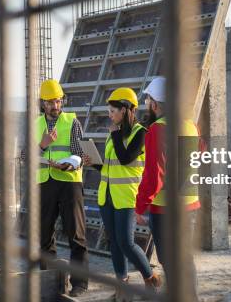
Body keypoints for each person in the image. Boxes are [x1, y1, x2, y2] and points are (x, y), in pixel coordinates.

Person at [135, 77, 202, 297]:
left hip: (165, 209)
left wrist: (139, 206)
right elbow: (199, 154)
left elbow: (154, 176)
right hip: (189, 203)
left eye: (148, 100)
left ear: (155, 104)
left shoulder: (157, 129)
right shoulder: (190, 125)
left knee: (169, 260)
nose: (147, 103)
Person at [98, 88, 161, 298]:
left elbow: (125, 158)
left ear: (125, 110)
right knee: (114, 242)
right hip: (106, 195)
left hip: (126, 196)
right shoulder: (114, 134)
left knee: (126, 242)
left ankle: (150, 277)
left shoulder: (141, 133)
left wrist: (115, 134)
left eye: (113, 110)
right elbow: (112, 165)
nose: (110, 115)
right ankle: (122, 283)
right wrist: (95, 164)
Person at [36, 79, 90, 297]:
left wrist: (73, 162)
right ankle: (48, 280)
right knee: (44, 236)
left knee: (76, 235)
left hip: (69, 183)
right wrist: (43, 144)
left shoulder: (71, 121)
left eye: (58, 101)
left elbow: (80, 152)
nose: (56, 106)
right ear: (42, 104)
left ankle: (79, 283)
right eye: (50, 102)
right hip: (45, 183)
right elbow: (24, 156)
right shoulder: (36, 124)